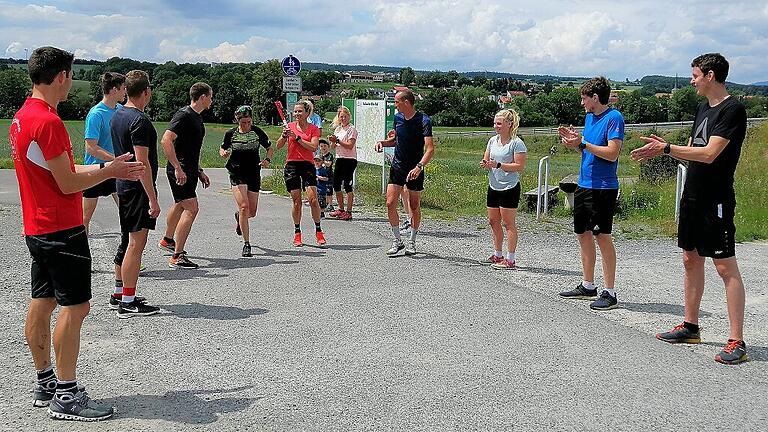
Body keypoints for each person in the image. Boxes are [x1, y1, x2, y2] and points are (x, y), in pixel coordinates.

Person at [10, 46, 144, 420]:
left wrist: (107, 167)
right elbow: (69, 183)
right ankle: (66, 396)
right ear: (62, 76)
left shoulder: (23, 117)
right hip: (61, 228)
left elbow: (58, 174)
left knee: (44, 301)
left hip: (37, 226)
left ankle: (46, 382)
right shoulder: (49, 122)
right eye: (70, 75)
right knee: (76, 306)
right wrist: (110, 171)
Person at [631, 53, 749, 365]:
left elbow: (709, 154)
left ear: (710, 75)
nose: (692, 80)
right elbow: (693, 153)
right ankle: (690, 326)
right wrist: (662, 151)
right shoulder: (702, 108)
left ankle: (737, 340)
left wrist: (667, 148)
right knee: (690, 259)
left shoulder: (733, 109)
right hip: (692, 196)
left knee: (725, 266)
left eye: (696, 75)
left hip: (717, 198)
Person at [557, 76, 624, 311]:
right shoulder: (589, 117)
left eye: (584, 99)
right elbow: (588, 149)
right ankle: (588, 284)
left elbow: (612, 153)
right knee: (582, 233)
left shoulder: (614, 118)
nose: (582, 103)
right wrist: (575, 142)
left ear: (595, 97)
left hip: (603, 186)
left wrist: (583, 143)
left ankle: (610, 292)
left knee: (601, 236)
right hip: (584, 182)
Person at [111, 70, 163, 319]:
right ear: (146, 92)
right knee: (135, 244)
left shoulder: (118, 114)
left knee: (127, 240)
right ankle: (128, 302)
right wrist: (153, 199)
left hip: (124, 185)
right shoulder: (140, 121)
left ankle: (120, 293)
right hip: (137, 189)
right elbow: (143, 164)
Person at [159, 82, 213, 269]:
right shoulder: (184, 115)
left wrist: (199, 171)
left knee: (180, 204)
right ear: (203, 97)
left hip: (189, 170)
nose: (212, 100)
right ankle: (177, 256)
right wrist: (177, 168)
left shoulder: (197, 117)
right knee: (191, 208)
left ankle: (167, 239)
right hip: (179, 171)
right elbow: (166, 140)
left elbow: (189, 149)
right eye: (210, 97)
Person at [375, 89, 435, 256]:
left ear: (406, 102)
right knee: (390, 203)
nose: (395, 106)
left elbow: (430, 149)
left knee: (414, 206)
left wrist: (419, 166)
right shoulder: (398, 118)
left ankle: (412, 241)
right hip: (397, 166)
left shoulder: (423, 120)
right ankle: (397, 240)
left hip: (415, 167)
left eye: (396, 102)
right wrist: (382, 143)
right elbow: (395, 141)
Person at [219, 105, 273, 257]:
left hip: (254, 172)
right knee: (244, 206)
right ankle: (247, 244)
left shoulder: (257, 132)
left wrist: (267, 159)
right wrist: (223, 153)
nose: (247, 125)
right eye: (244, 122)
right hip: (236, 172)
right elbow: (222, 148)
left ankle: (239, 218)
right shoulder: (231, 134)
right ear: (238, 121)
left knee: (252, 212)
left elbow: (269, 147)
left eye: (249, 122)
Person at [480, 109, 527, 270]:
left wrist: (500, 165)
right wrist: (485, 163)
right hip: (494, 185)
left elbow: (519, 166)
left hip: (509, 187)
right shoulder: (492, 140)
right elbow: (487, 157)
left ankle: (510, 259)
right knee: (493, 221)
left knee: (508, 224)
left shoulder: (517, 142)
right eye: (494, 123)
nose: (496, 126)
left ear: (509, 124)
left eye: (499, 123)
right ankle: (497, 254)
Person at [276, 100, 326, 247]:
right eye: (295, 111)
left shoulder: (313, 129)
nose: (297, 114)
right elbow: (278, 146)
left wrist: (297, 137)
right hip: (291, 165)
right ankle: (297, 233)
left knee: (313, 200)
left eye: (300, 111)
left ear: (307, 113)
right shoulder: (289, 127)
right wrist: (284, 136)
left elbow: (313, 147)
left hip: (307, 165)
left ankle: (318, 231)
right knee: (296, 202)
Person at [82, 72, 125, 233]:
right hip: (96, 170)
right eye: (123, 88)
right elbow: (91, 147)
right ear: (114, 90)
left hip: (116, 169)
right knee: (85, 218)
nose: (125, 92)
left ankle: (126, 250)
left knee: (127, 212)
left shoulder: (121, 110)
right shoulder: (96, 114)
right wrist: (115, 159)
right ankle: (82, 251)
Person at [328, 106, 358, 221]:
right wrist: (333, 141)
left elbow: (350, 145)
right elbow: (333, 146)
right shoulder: (338, 130)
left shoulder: (352, 129)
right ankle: (340, 208)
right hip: (340, 157)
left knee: (347, 185)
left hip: (349, 159)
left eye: (345, 116)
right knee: (336, 184)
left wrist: (338, 141)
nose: (343, 118)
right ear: (339, 118)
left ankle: (349, 211)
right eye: (341, 117)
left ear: (349, 117)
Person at [318, 139, 335, 211]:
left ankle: (330, 204)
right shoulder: (320, 155)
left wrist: (322, 161)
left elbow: (329, 164)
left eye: (325, 146)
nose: (323, 147)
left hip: (329, 176)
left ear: (328, 147)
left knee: (329, 191)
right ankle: (324, 203)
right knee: (322, 190)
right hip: (322, 176)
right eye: (321, 146)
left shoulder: (329, 155)